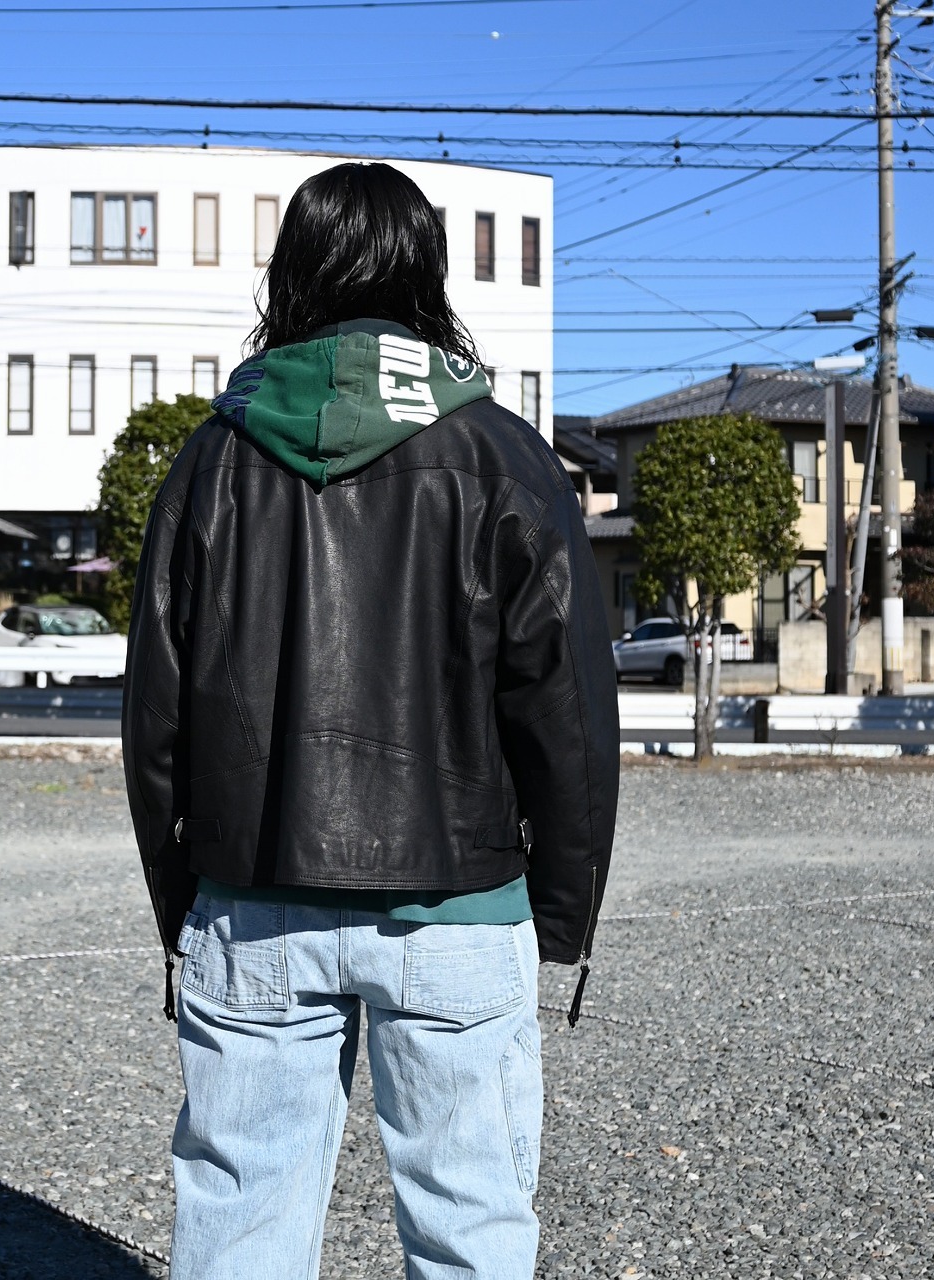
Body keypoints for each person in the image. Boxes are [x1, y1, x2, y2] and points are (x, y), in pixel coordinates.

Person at [122, 160, 619, 1279]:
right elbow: (570, 717)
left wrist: (182, 899)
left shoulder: (213, 457)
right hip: (460, 903)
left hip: (252, 896)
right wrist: (558, 914)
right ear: (426, 273)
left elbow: (155, 713)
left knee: (240, 1224)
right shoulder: (501, 453)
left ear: (291, 273)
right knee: (470, 1226)